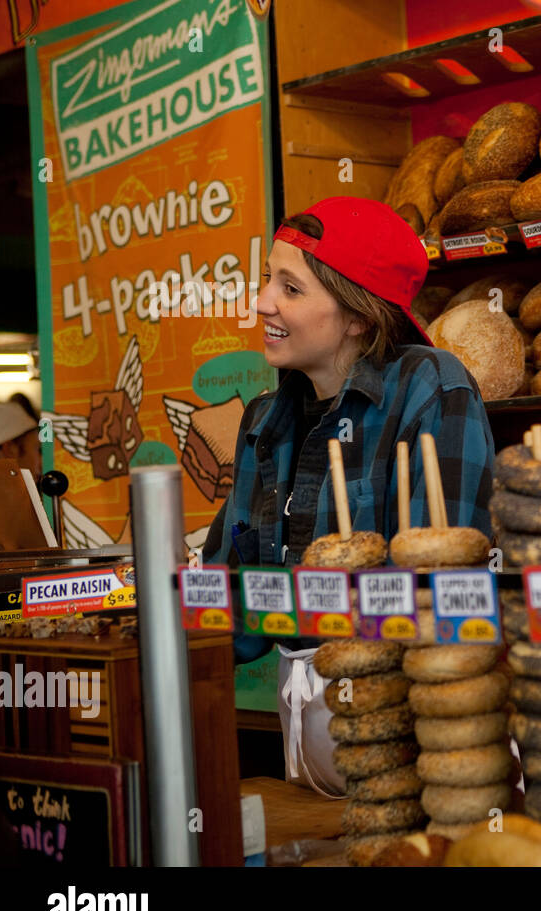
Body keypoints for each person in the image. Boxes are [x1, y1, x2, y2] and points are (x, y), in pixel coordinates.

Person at [201, 197, 496, 794]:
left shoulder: (431, 388)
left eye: (291, 287)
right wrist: (145, 613)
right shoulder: (263, 418)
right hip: (299, 730)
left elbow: (435, 594)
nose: (262, 303)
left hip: (412, 725)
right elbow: (239, 609)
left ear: (358, 314)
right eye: (267, 280)